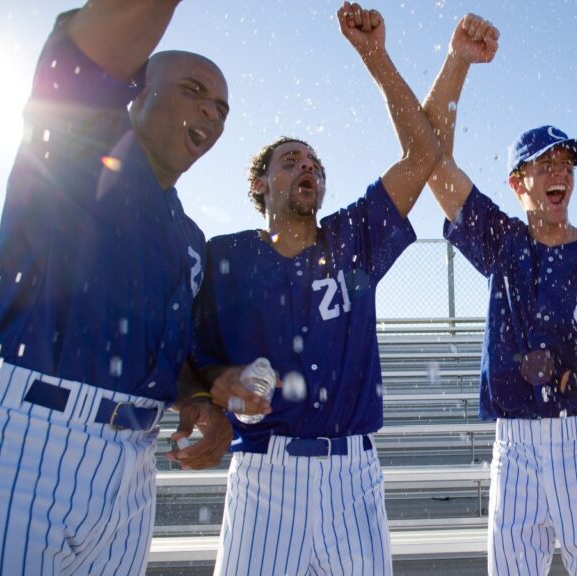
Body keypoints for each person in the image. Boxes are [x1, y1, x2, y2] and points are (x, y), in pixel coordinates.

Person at [0, 2, 232, 574]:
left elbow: (177, 358)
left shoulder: (189, 236)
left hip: (132, 466)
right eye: (193, 90)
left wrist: (198, 403)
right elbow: (87, 51)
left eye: (221, 109)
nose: (210, 114)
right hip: (25, 438)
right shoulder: (76, 144)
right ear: (135, 91)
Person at [189, 3, 440, 575]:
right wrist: (215, 386)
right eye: (291, 160)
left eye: (316, 162)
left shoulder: (353, 238)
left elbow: (423, 153)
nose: (308, 166)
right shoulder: (223, 255)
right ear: (261, 183)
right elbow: (195, 359)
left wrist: (375, 59)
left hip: (352, 475)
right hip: (262, 470)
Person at [422, 17, 577, 574]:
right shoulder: (503, 243)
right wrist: (457, 61)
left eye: (566, 163)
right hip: (516, 442)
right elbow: (431, 161)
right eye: (545, 163)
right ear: (517, 182)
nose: (560, 171)